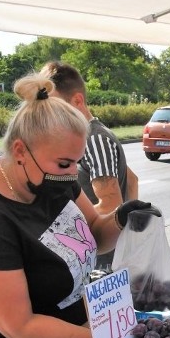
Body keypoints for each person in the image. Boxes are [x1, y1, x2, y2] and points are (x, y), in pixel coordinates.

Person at [0, 73, 156, 338]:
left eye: (77, 163)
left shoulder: (49, 178)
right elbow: (21, 326)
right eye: (64, 164)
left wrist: (121, 218)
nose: (72, 175)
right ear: (20, 151)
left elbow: (93, 232)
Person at [40, 61, 139, 268]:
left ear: (77, 101)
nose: (50, 115)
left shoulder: (93, 140)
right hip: (108, 253)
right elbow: (132, 182)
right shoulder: (95, 136)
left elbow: (110, 204)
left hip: (101, 261)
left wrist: (59, 228)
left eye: (56, 107)